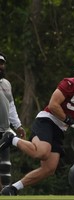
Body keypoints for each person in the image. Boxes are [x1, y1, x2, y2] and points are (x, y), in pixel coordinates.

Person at [0, 57, 74, 195]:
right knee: (42, 153)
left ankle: (13, 188)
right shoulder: (70, 83)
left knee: (49, 168)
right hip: (48, 120)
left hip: (60, 127)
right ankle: (11, 138)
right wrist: (69, 120)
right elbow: (53, 105)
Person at [0, 53, 26, 190]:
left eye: (1, 63)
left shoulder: (6, 84)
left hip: (4, 131)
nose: (0, 66)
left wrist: (18, 126)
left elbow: (10, 106)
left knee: (5, 166)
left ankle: (5, 194)